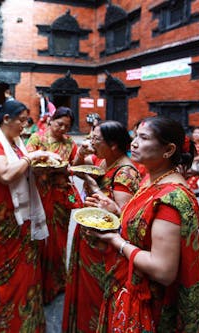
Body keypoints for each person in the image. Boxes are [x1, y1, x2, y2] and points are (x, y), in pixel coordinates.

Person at [88, 116, 199, 332]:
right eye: (135, 136)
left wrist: (117, 241)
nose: (133, 143)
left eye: (143, 138)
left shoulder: (170, 199)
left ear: (168, 150)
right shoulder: (151, 179)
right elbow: (143, 226)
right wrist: (116, 211)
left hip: (149, 304)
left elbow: (163, 270)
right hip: (129, 286)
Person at [0, 99, 61, 332]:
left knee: (27, 273)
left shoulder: (15, 142)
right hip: (1, 220)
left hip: (23, 218)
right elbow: (5, 174)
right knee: (3, 278)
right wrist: (31, 158)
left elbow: (24, 171)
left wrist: (41, 162)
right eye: (22, 121)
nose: (25, 126)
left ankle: (28, 325)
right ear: (6, 119)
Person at [62, 120, 141, 333]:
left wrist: (95, 188)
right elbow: (76, 169)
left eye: (96, 139)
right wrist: (81, 152)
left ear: (113, 144)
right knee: (85, 290)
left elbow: (125, 217)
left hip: (104, 244)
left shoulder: (125, 172)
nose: (92, 142)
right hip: (90, 232)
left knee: (97, 293)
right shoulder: (104, 160)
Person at [26, 106, 83, 304]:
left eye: (66, 127)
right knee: (41, 238)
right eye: (59, 124)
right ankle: (40, 283)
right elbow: (27, 164)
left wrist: (80, 156)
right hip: (40, 193)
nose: (62, 130)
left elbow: (74, 165)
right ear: (50, 120)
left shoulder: (69, 142)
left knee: (59, 240)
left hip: (60, 195)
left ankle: (58, 282)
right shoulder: (36, 139)